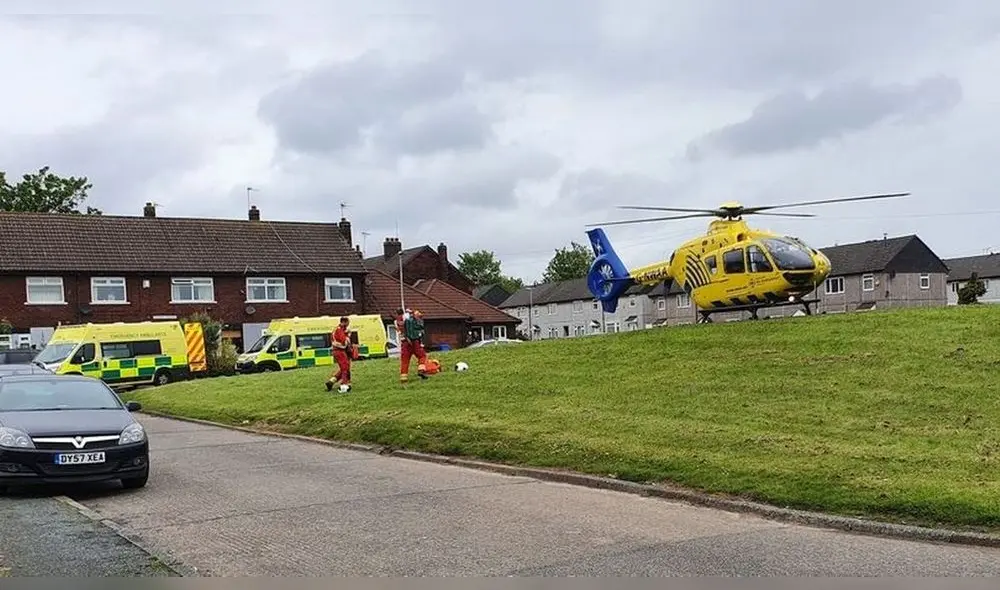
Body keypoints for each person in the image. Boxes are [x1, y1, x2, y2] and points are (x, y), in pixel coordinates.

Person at [399, 309, 429, 382]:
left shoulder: (400, 321)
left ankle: (403, 378)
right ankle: (421, 370)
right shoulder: (415, 321)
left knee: (405, 361)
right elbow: (420, 328)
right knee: (422, 356)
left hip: (405, 343)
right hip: (415, 342)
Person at [326, 316, 353, 392]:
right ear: (344, 322)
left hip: (338, 351)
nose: (348, 325)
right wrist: (348, 336)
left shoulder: (338, 329)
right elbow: (344, 341)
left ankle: (331, 382)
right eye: (347, 323)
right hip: (339, 351)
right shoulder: (339, 330)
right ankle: (344, 385)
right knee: (345, 368)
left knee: (344, 367)